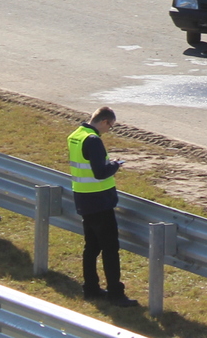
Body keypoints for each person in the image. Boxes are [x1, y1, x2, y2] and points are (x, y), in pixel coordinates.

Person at [70, 106, 134, 306]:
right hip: (100, 202)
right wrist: (115, 165)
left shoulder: (76, 135)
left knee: (91, 247)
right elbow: (100, 172)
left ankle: (90, 288)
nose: (109, 130)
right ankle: (115, 292)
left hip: (83, 199)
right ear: (105, 121)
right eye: (110, 127)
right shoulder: (94, 140)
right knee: (110, 248)